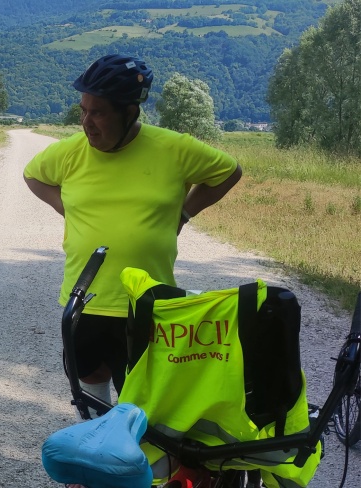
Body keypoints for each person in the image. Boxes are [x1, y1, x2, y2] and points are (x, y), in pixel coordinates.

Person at [23, 54, 242, 410]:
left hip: (147, 304)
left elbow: (229, 172)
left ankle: (141, 461)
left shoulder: (174, 148)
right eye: (83, 110)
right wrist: (67, 208)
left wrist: (184, 213)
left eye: (98, 113)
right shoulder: (70, 153)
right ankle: (100, 455)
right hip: (85, 300)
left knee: (143, 407)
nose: (86, 123)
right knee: (91, 394)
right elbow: (32, 175)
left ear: (130, 113)